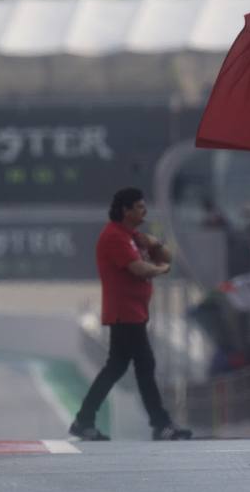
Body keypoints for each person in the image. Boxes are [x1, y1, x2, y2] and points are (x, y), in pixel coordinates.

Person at [69, 187, 192, 441]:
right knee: (145, 365)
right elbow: (138, 269)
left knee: (116, 367)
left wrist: (154, 243)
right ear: (125, 210)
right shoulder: (114, 237)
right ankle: (161, 423)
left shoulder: (133, 236)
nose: (144, 210)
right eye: (139, 206)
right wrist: (160, 270)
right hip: (124, 314)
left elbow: (168, 255)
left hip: (134, 313)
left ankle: (84, 419)